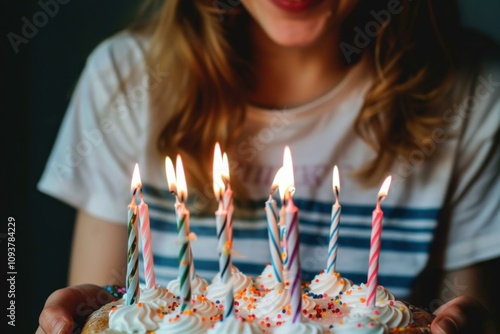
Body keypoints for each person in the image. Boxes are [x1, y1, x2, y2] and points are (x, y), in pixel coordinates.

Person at [36, 0, 499, 333]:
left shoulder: (475, 93)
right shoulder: (126, 78)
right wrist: (91, 311)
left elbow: (465, 310)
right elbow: (110, 305)